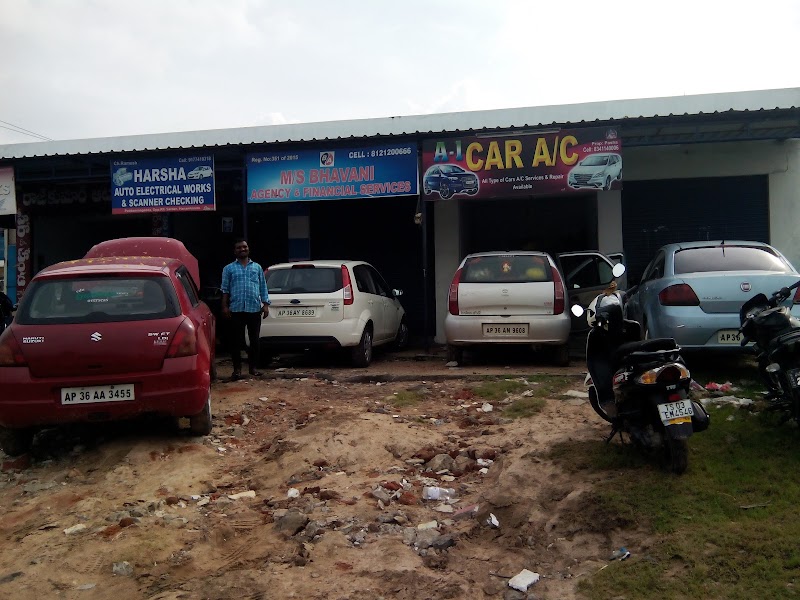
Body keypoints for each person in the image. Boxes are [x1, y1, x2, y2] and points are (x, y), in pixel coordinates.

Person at [221, 238, 270, 380]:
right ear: (234, 251)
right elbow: (225, 289)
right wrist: (224, 306)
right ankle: (236, 370)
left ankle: (253, 368)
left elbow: (263, 287)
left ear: (248, 248)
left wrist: (265, 305)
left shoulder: (257, 268)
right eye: (239, 248)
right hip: (235, 310)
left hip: (254, 308)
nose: (242, 249)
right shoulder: (228, 268)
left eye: (244, 247)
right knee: (236, 341)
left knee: (254, 340)